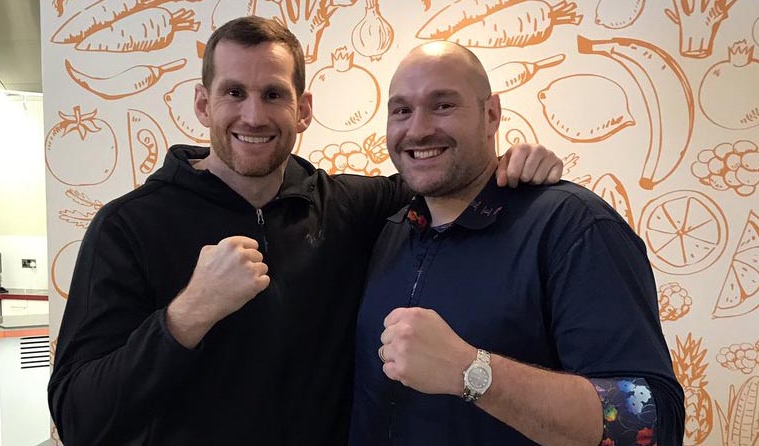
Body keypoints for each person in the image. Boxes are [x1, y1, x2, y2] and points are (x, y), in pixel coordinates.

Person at [48, 17, 564, 446]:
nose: (254, 115)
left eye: (274, 94)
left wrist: (509, 164)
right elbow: (78, 417)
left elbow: (435, 172)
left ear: (304, 110)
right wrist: (187, 316)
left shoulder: (347, 206)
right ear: (204, 104)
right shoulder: (128, 226)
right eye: (234, 93)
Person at [349, 41, 685, 446]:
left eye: (443, 105)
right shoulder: (388, 229)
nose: (418, 129)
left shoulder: (572, 225)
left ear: (491, 114)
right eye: (401, 110)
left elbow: (651, 422)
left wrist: (471, 370)